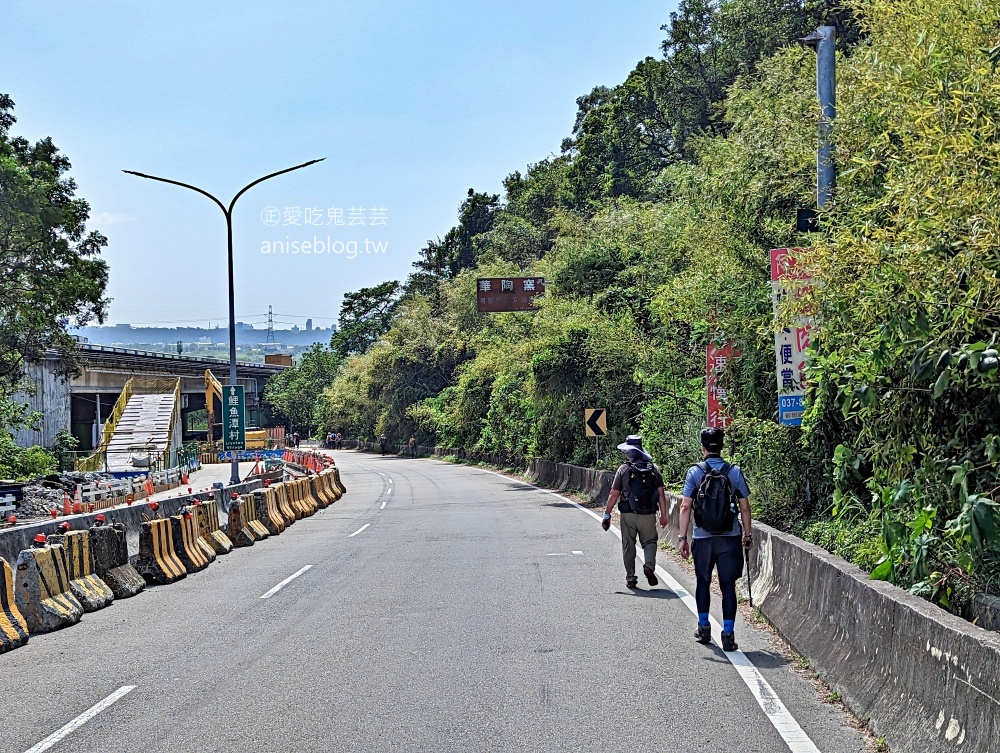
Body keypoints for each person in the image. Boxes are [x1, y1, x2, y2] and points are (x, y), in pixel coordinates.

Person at [677, 427, 752, 652]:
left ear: (702, 446)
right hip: (730, 538)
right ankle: (728, 633)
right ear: (722, 446)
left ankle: (704, 626)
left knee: (703, 582)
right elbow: (745, 508)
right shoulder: (734, 472)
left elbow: (685, 506)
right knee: (728, 585)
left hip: (703, 537)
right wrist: (747, 535)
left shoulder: (695, 472)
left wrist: (682, 537)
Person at [601, 435, 668, 589]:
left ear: (629, 452)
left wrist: (607, 514)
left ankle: (631, 577)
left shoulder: (624, 469)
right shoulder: (654, 469)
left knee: (628, 545)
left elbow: (613, 494)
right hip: (649, 514)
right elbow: (661, 494)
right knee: (650, 542)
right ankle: (649, 566)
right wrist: (664, 515)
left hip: (628, 514)